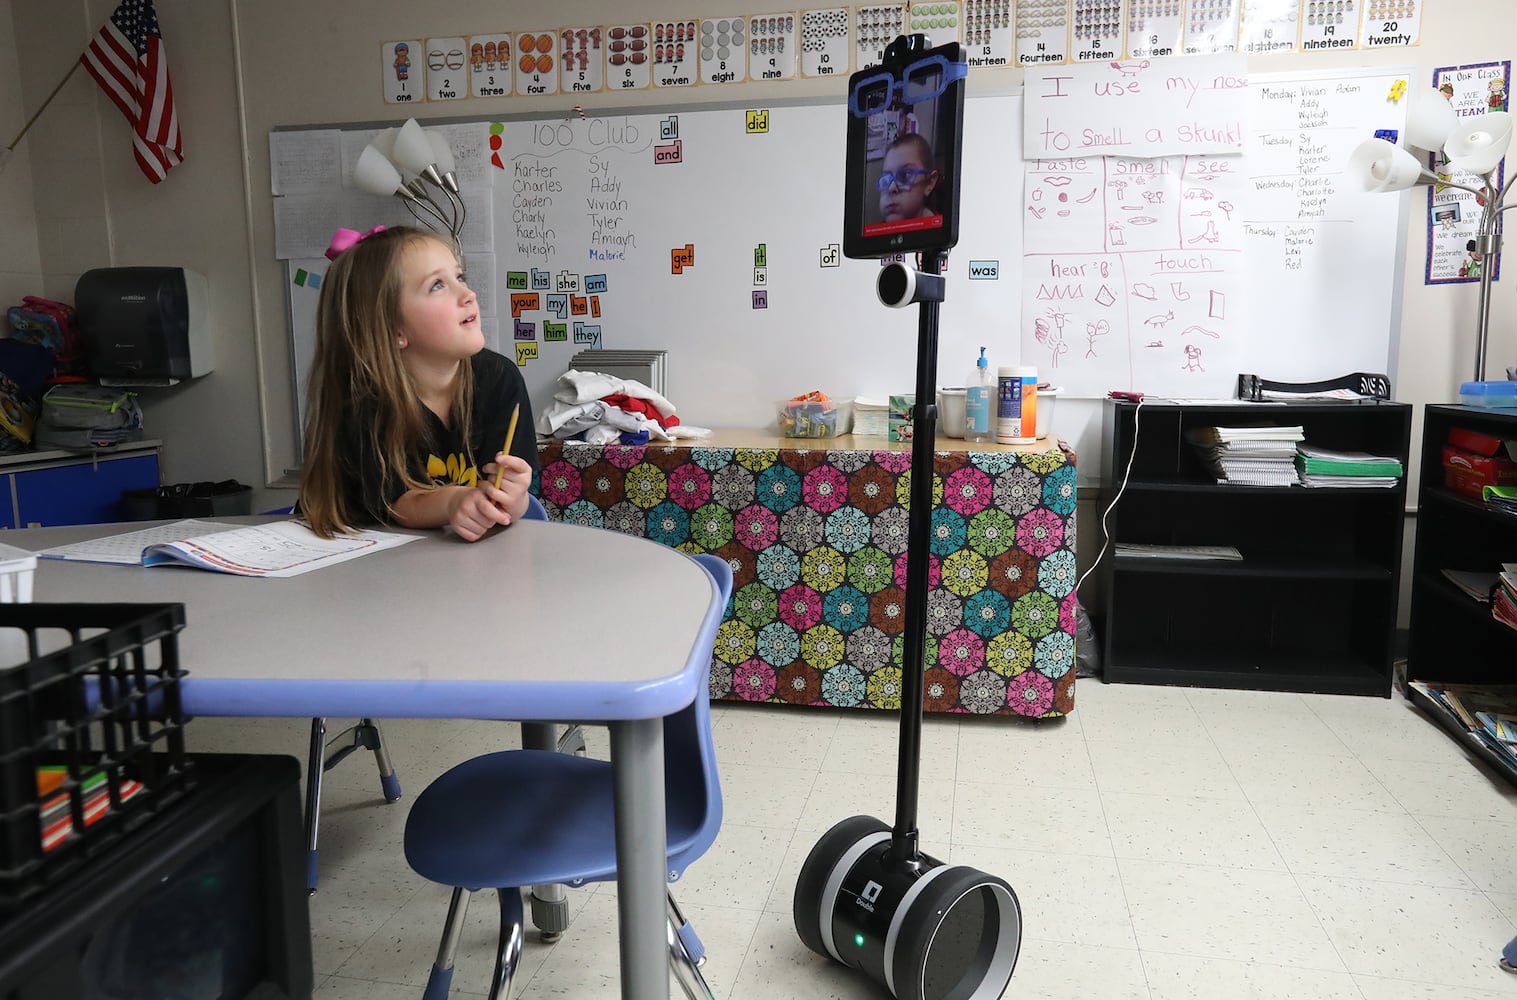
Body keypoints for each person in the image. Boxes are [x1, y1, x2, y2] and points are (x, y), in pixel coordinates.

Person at [299, 225, 537, 541]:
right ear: (393, 329)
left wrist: (513, 499)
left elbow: (511, 497)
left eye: (459, 277)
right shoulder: (364, 400)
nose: (468, 294)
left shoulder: (499, 378)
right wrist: (455, 501)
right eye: (437, 285)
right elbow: (397, 504)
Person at [877, 133, 941, 223]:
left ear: (929, 182)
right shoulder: (879, 232)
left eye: (905, 175)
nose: (891, 188)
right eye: (886, 180)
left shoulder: (941, 231)